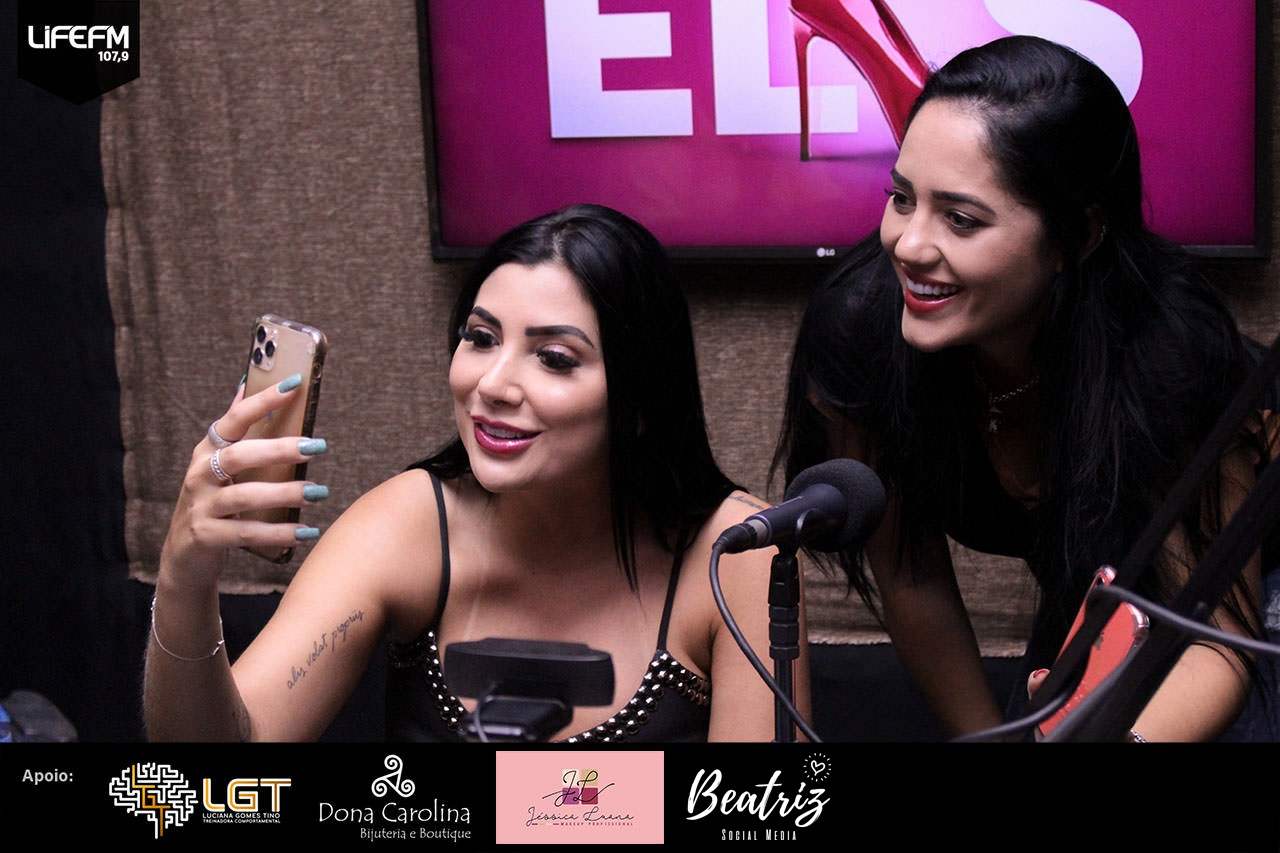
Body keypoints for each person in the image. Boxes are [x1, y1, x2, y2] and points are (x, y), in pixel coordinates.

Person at [145, 204, 806, 742]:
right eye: (481, 338)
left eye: (554, 357)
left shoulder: (739, 555)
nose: (491, 384)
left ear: (640, 399)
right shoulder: (408, 525)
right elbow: (220, 768)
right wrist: (184, 575)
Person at [776, 36, 1275, 741]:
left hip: (1246, 596)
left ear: (1077, 237)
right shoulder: (861, 332)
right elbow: (913, 577)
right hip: (1103, 580)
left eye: (961, 219)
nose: (908, 245)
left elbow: (1217, 634)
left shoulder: (1172, 356)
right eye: (901, 198)